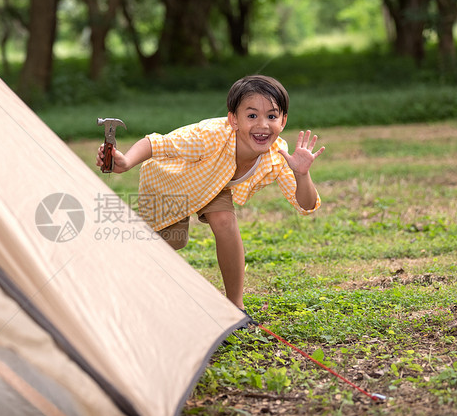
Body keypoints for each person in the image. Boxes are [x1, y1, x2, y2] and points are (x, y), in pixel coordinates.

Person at [96, 74, 324, 311]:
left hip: (216, 184)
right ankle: (111, 277)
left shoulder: (278, 155)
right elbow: (156, 143)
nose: (262, 125)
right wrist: (126, 162)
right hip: (171, 180)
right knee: (166, 245)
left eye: (272, 116)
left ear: (283, 121)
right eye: (252, 115)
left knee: (224, 220)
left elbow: (306, 205)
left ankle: (235, 306)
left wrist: (302, 174)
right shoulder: (210, 135)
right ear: (233, 120)